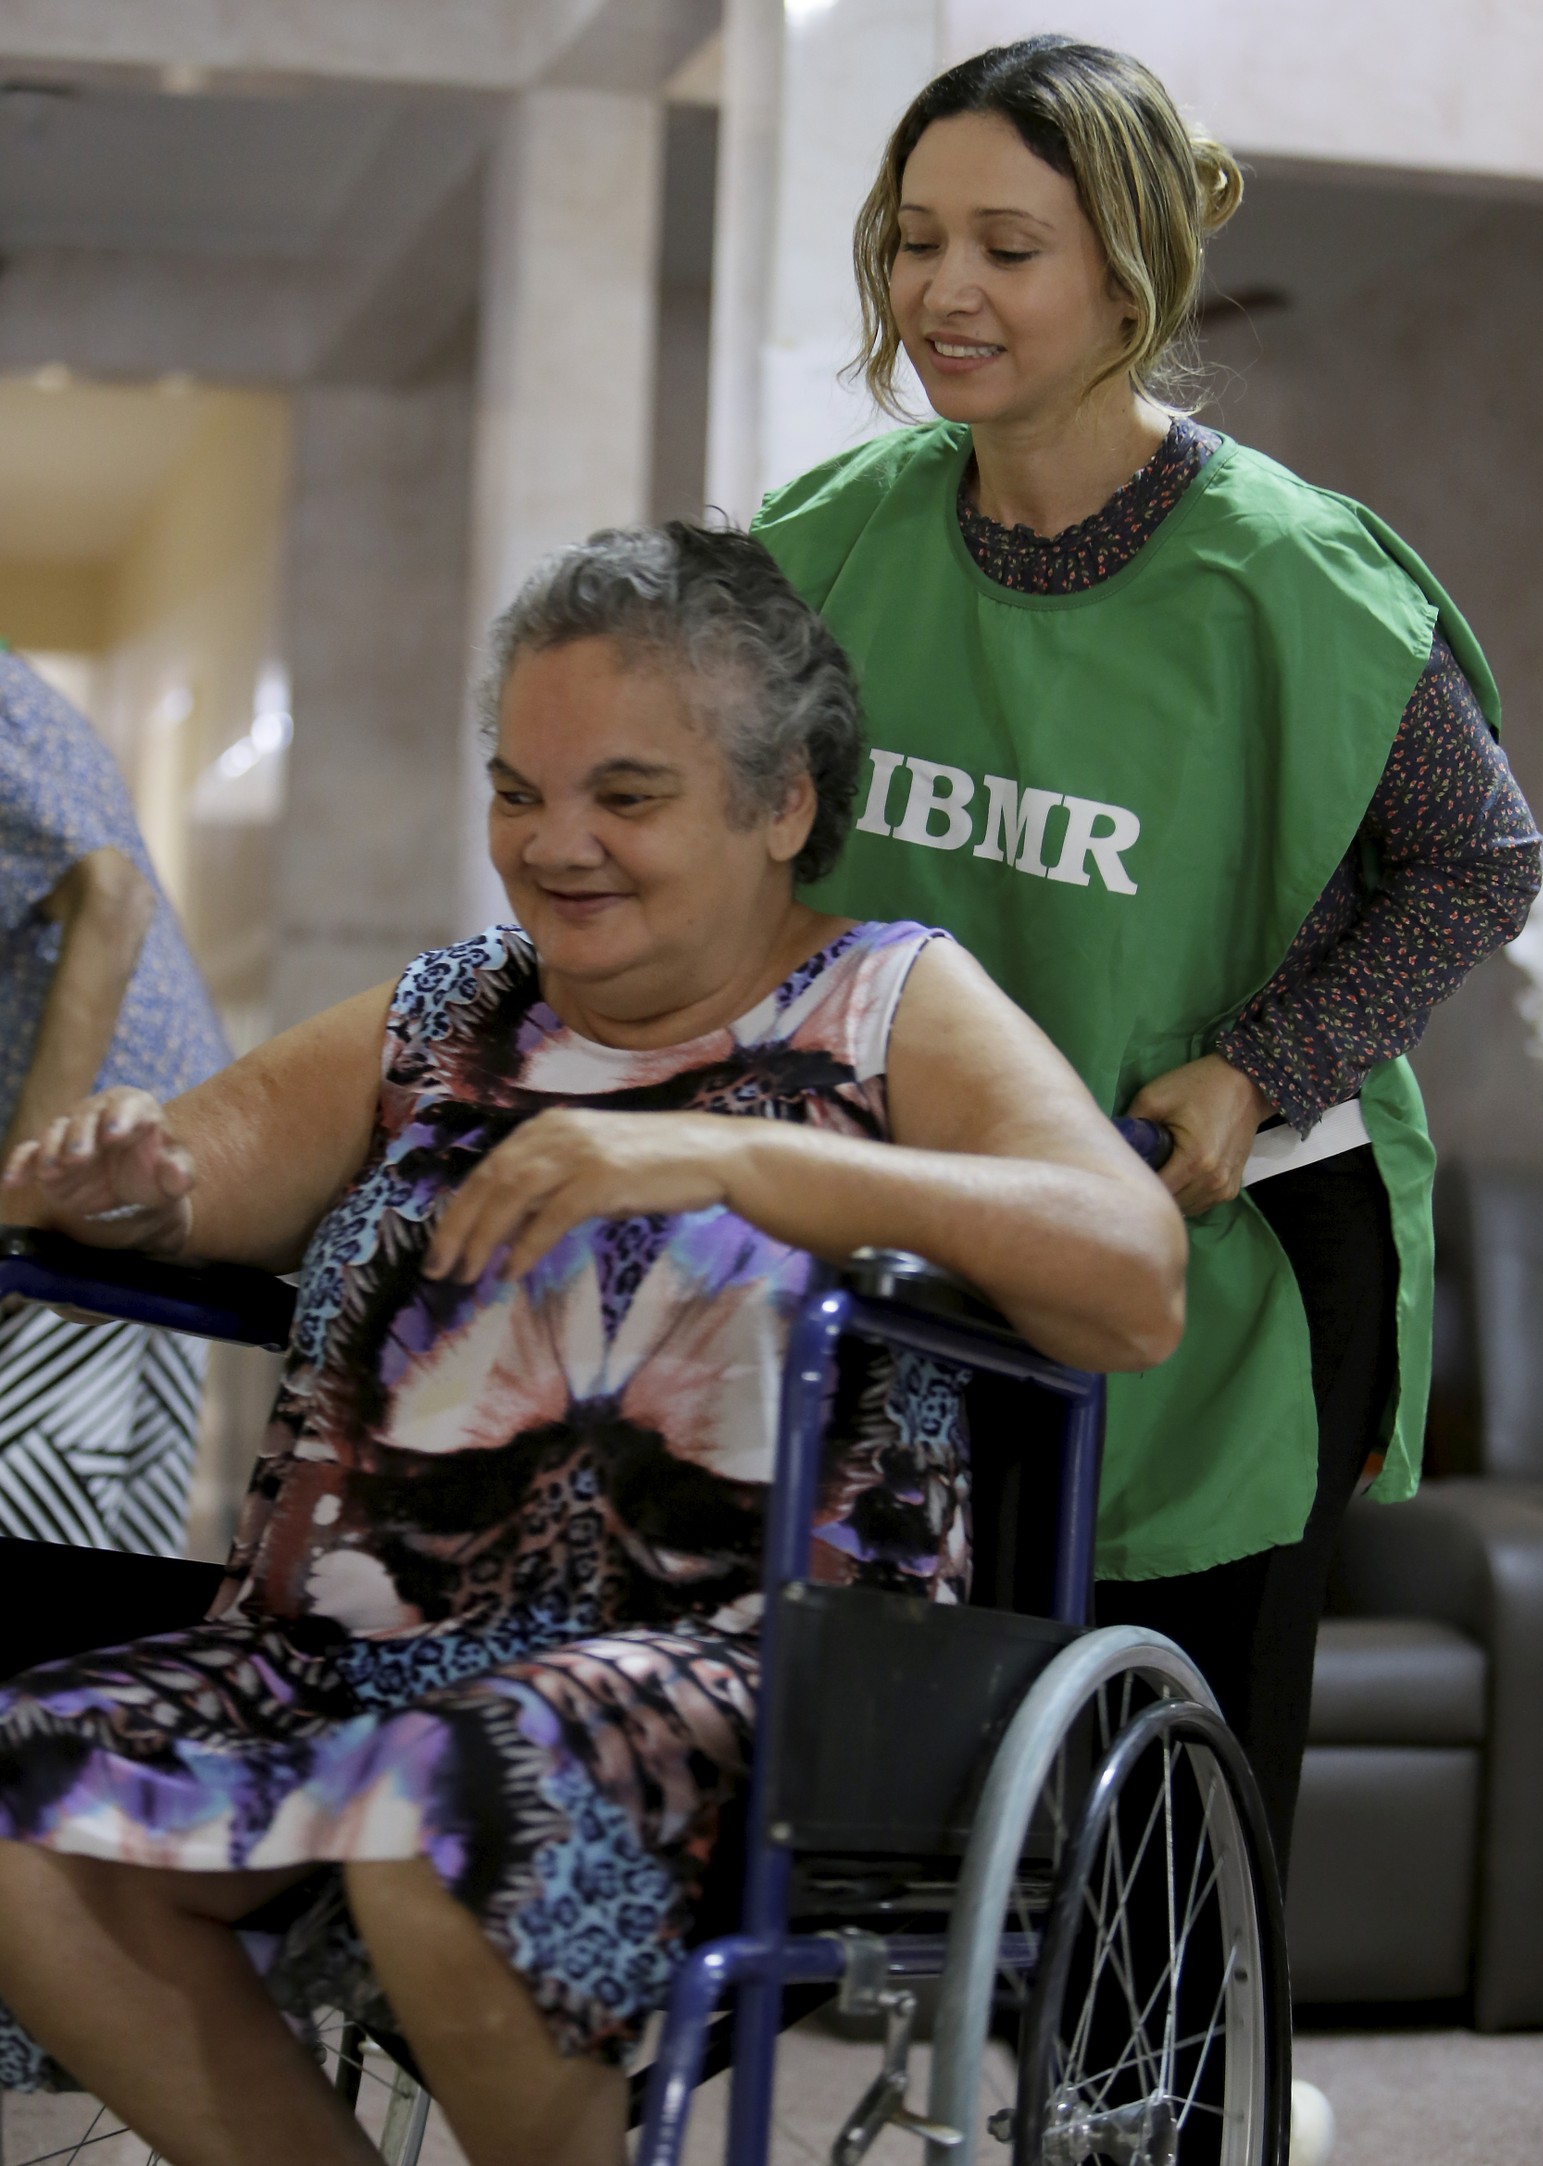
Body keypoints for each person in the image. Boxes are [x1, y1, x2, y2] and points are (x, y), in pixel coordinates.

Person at [0, 527, 1184, 2166]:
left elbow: (1136, 1274)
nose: (554, 845)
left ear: (783, 804)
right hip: (349, 1644)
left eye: (624, 797)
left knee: (447, 1796)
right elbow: (194, 1181)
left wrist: (733, 1156)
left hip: (740, 1665)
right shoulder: (450, 1011)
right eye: (518, 790)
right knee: (23, 1801)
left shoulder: (886, 1002)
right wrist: (121, 1185)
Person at [752, 35, 1542, 1893]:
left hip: (1235, 1232)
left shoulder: (1295, 576)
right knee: (926, 1801)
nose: (943, 290)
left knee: (1162, 1817)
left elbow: (1476, 860)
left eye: (1006, 247)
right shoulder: (828, 543)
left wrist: (1261, 1061)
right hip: (938, 1220)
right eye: (915, 238)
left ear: (1128, 270)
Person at [0, 649, 231, 1555]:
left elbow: (112, 900)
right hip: (137, 1157)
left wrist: (13, 1215)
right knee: (108, 1547)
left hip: (102, 1169)